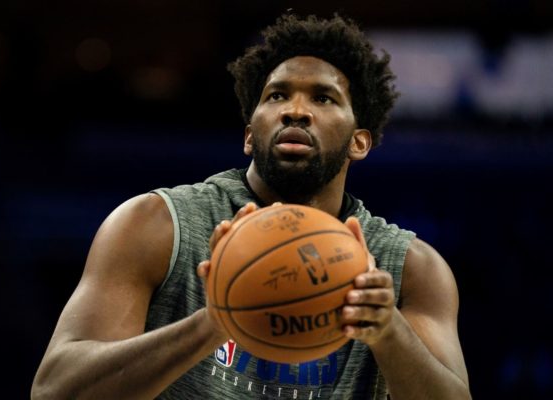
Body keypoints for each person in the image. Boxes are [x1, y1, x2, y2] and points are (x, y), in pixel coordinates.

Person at [31, 13, 471, 399]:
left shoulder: (410, 269)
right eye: (277, 95)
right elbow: (55, 392)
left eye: (323, 98)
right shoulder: (156, 224)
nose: (295, 111)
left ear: (360, 142)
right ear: (248, 135)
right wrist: (212, 323)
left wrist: (387, 329)